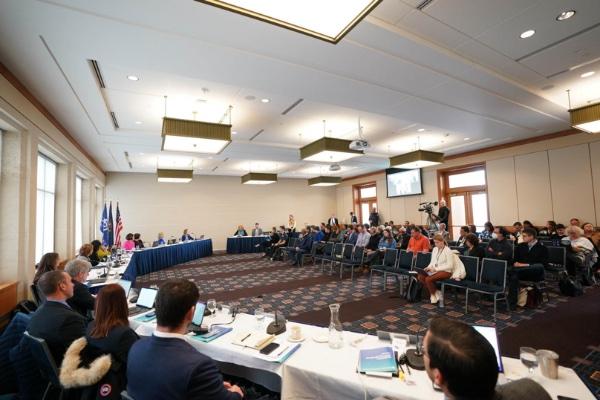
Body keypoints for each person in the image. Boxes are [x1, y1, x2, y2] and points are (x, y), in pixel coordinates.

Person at [127, 279, 243, 399]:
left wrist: (211, 385)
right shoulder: (198, 365)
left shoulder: (136, 348)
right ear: (191, 313)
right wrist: (235, 393)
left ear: (157, 308)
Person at [86, 284, 139, 388]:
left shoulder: (90, 326)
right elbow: (138, 363)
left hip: (100, 380)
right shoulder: (124, 334)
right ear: (122, 304)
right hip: (123, 382)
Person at [28, 270, 86, 365]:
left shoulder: (38, 312)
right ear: (62, 286)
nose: (73, 285)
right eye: (70, 281)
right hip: (72, 370)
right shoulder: (70, 319)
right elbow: (85, 353)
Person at [507, 228, 548, 308]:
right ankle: (511, 303)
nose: (523, 238)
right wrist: (515, 263)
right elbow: (515, 259)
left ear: (531, 237)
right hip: (520, 271)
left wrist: (524, 265)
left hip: (535, 272)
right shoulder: (521, 246)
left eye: (524, 236)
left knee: (538, 266)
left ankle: (511, 301)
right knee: (514, 276)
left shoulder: (542, 248)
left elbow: (543, 264)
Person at [418, 235, 464, 304]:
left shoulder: (448, 250)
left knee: (428, 279)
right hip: (436, 270)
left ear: (442, 242)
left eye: (437, 242)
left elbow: (450, 266)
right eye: (435, 243)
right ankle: (436, 292)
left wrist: (436, 269)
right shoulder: (435, 249)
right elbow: (432, 261)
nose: (436, 244)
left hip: (446, 272)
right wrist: (428, 267)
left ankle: (433, 294)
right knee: (420, 276)